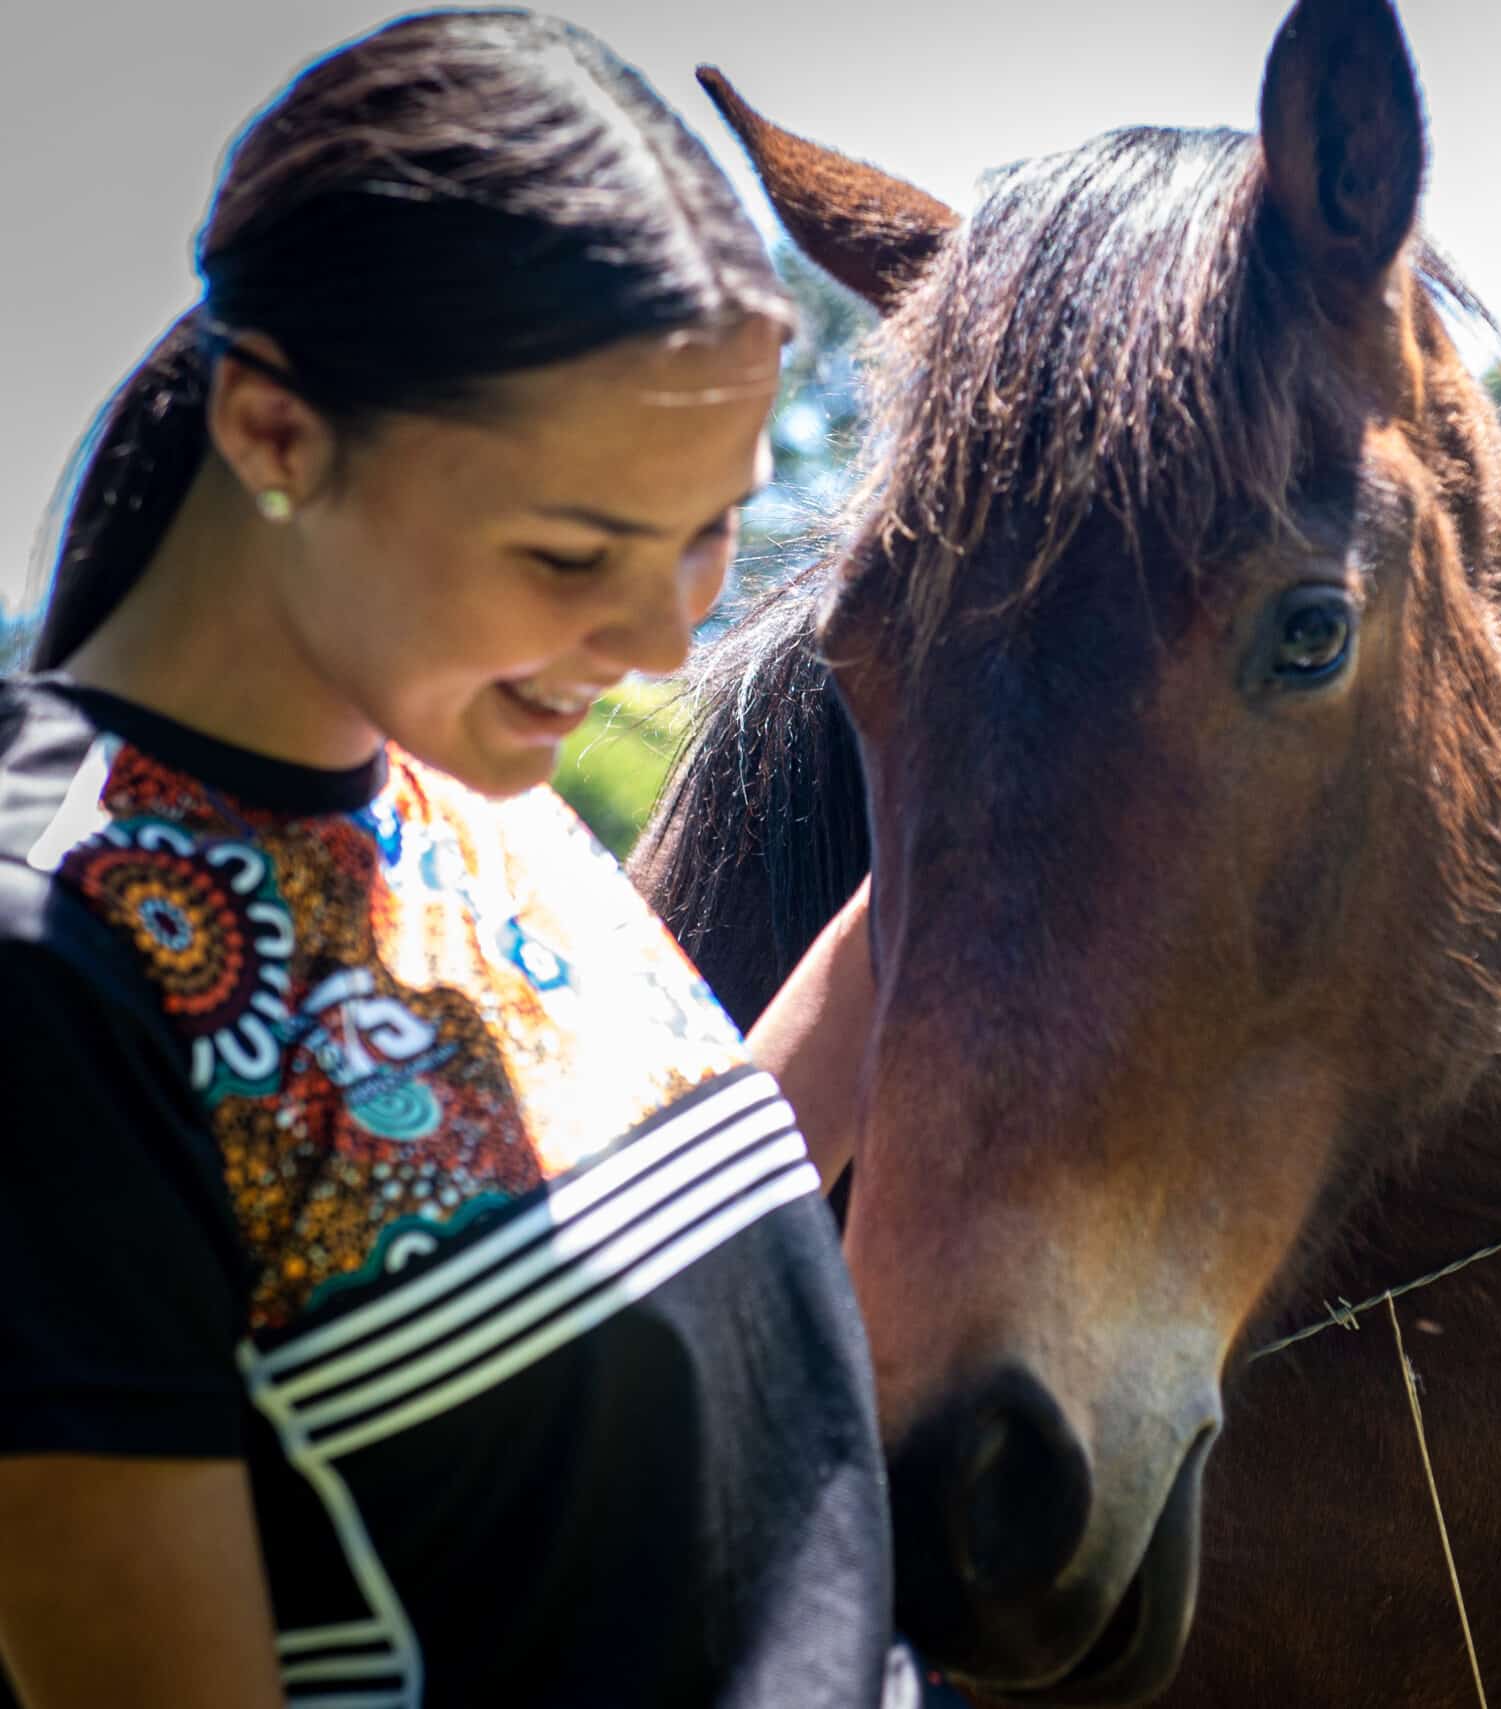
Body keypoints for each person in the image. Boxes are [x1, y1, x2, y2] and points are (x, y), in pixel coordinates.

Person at [0, 12, 902, 1705]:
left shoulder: (451, 748)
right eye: (576, 551)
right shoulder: (63, 958)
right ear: (277, 435)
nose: (653, 637)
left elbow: (644, 1250)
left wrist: (952, 887)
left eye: (712, 527)